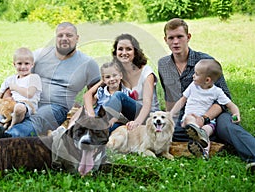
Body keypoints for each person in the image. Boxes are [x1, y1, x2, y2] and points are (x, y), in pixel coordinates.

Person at [0, 22, 100, 144]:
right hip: (26, 100)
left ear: (77, 38)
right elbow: (15, 78)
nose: (64, 39)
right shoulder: (39, 55)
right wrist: (6, 100)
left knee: (37, 120)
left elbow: (96, 92)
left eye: (69, 35)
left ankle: (8, 138)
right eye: (60, 35)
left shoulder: (87, 63)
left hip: (55, 107)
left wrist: (85, 111)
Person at [158, 18, 255, 173]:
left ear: (188, 37)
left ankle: (252, 156)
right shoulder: (163, 64)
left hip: (213, 114)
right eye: (171, 38)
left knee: (227, 127)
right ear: (165, 40)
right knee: (166, 130)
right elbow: (171, 98)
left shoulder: (206, 62)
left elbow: (224, 100)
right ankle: (207, 137)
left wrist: (204, 118)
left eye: (180, 37)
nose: (175, 42)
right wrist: (169, 118)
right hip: (187, 116)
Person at [170, 59, 240, 159]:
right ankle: (196, 132)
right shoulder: (193, 86)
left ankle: (204, 152)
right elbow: (182, 100)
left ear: (207, 80)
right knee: (190, 119)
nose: (193, 75)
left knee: (206, 130)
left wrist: (236, 113)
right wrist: (171, 113)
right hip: (190, 119)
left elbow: (230, 105)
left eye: (196, 74)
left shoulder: (217, 91)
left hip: (208, 122)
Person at [89, 33, 160, 132]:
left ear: (135, 51)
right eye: (120, 49)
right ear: (116, 52)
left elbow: (147, 104)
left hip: (148, 117)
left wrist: (137, 122)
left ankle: (94, 126)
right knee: (111, 129)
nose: (124, 52)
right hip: (127, 117)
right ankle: (85, 138)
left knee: (119, 96)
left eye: (129, 49)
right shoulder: (117, 73)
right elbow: (90, 94)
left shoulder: (146, 72)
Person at [0, 47, 42, 132]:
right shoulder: (10, 79)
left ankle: (11, 126)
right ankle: (2, 127)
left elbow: (30, 94)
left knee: (19, 108)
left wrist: (15, 88)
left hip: (26, 107)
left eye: (26, 63)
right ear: (14, 64)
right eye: (19, 63)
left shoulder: (34, 78)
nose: (23, 67)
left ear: (32, 64)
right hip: (9, 107)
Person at [68, 61, 132, 133]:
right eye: (108, 77)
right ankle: (69, 131)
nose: (111, 79)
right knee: (83, 113)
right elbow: (88, 98)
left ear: (121, 75)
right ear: (103, 80)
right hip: (96, 118)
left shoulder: (125, 93)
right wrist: (91, 115)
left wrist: (114, 119)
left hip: (111, 122)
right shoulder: (101, 91)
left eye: (114, 75)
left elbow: (124, 115)